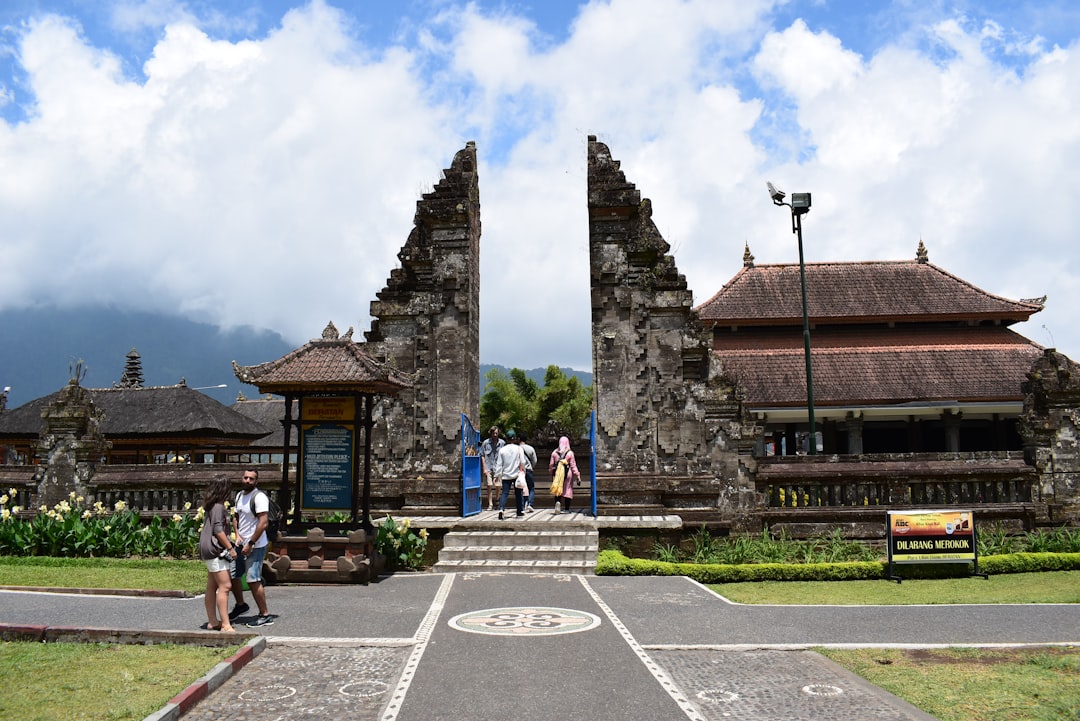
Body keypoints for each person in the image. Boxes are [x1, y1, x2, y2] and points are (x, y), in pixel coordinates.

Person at [229, 467, 277, 627]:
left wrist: (251, 543)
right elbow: (236, 516)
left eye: (251, 478)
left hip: (256, 545)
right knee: (233, 575)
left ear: (256, 481)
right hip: (241, 543)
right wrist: (237, 534)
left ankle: (265, 614)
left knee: (252, 578)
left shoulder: (259, 497)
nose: (247, 481)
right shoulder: (239, 496)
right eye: (245, 477)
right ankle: (241, 605)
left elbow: (263, 523)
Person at [198, 475, 238, 633]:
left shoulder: (212, 506)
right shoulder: (218, 507)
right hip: (216, 549)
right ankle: (226, 624)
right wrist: (230, 548)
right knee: (225, 585)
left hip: (207, 548)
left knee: (212, 585)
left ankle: (213, 621)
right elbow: (218, 531)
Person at [493, 429, 525, 520]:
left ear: (506, 439)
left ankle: (502, 509)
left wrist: (497, 475)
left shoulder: (502, 450)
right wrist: (524, 470)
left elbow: (499, 464)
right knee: (518, 493)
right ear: (515, 439)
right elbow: (522, 461)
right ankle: (519, 511)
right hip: (516, 475)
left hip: (506, 475)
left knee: (504, 493)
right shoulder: (519, 448)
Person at [549, 436, 582, 513]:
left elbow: (551, 464)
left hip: (558, 474)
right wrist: (577, 475)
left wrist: (552, 473)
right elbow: (573, 465)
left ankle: (558, 503)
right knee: (568, 489)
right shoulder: (570, 453)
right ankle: (567, 509)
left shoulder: (554, 453)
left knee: (558, 488)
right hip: (567, 473)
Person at [479, 425, 504, 512]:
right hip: (489, 466)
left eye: (496, 433)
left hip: (498, 467)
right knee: (489, 485)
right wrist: (484, 468)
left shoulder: (502, 443)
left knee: (498, 485)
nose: (495, 435)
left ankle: (497, 500)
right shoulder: (486, 443)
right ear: (491, 434)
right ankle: (490, 503)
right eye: (494, 433)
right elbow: (482, 455)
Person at [519, 431, 538, 512]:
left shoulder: (517, 448)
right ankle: (530, 504)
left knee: (520, 488)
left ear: (519, 439)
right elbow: (535, 460)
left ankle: (522, 505)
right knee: (531, 488)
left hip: (520, 471)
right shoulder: (530, 448)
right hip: (529, 470)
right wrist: (531, 466)